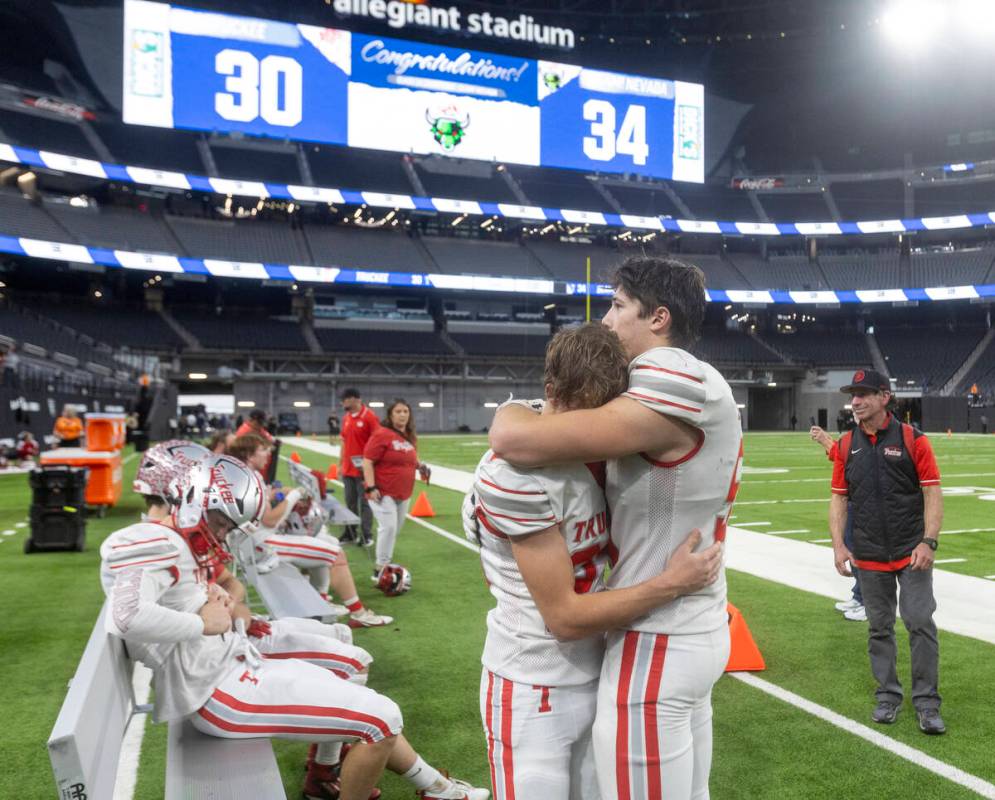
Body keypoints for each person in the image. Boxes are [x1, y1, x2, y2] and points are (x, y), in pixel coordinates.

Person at [489, 256, 742, 800]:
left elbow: (515, 441)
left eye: (618, 305)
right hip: (693, 624)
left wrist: (510, 411)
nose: (606, 319)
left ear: (659, 319)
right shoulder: (703, 377)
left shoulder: (669, 373)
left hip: (659, 634)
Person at [102, 454, 489, 800]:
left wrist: (217, 606)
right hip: (213, 690)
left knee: (369, 698)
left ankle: (418, 786)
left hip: (230, 664)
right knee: (381, 719)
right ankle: (422, 787)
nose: (222, 534)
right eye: (221, 521)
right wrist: (201, 621)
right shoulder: (150, 540)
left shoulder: (177, 543)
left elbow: (188, 600)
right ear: (192, 502)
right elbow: (126, 616)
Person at [829, 369, 945, 735]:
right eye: (853, 395)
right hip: (869, 554)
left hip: (912, 552)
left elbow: (932, 493)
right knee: (879, 628)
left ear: (884, 397)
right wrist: (838, 544)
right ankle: (888, 696)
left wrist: (929, 541)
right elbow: (838, 499)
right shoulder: (846, 445)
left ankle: (926, 703)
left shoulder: (914, 439)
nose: (856, 401)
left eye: (864, 394)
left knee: (919, 624)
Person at [228, 433, 392, 628]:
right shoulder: (251, 479)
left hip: (253, 543)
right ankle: (359, 613)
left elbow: (263, 509)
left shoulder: (245, 475)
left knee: (325, 545)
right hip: (263, 546)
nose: (267, 454)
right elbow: (270, 520)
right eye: (262, 450)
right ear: (249, 455)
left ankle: (321, 601)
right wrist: (295, 495)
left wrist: (279, 494)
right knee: (335, 554)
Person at [361, 400, 431, 578]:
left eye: (405, 411)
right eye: (398, 411)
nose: (402, 415)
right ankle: (380, 569)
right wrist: (371, 486)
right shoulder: (382, 434)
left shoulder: (410, 436)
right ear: (391, 415)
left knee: (394, 530)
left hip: (404, 492)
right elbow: (367, 461)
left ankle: (385, 562)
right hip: (383, 491)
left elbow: (409, 458)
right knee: (388, 528)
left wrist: (419, 465)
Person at [810, 426, 864, 621]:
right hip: (851, 499)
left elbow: (850, 459)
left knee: (860, 551)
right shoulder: (855, 437)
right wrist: (829, 443)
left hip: (862, 503)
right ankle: (860, 596)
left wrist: (827, 442)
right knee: (851, 547)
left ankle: (868, 601)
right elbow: (844, 456)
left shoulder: (870, 438)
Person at [340, 388, 379, 546]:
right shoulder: (346, 418)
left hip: (364, 470)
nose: (343, 403)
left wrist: (371, 464)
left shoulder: (370, 417)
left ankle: (366, 535)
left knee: (365, 503)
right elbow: (344, 441)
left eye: (345, 399)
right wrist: (340, 463)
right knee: (349, 502)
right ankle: (350, 533)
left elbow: (377, 441)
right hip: (348, 468)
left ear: (356, 399)